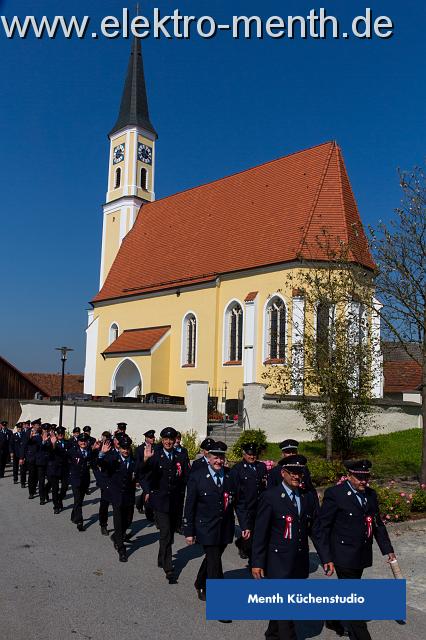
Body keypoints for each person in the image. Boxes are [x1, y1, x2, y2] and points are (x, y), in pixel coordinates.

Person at [251, 454, 332, 640]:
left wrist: (326, 557)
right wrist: (257, 562)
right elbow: (260, 533)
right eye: (293, 472)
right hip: (278, 563)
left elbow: (316, 531)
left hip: (299, 562)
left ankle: (272, 634)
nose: (297, 476)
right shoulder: (270, 497)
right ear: (283, 473)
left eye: (300, 472)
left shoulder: (307, 497)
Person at [316, 459, 396, 640]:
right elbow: (322, 528)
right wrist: (326, 557)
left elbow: (377, 524)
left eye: (366, 477)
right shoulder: (335, 494)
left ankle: (332, 617)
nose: (363, 481)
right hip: (342, 554)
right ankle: (360, 635)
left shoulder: (370, 495)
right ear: (349, 476)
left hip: (361, 553)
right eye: (359, 477)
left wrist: (387, 549)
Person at [184, 441, 238, 603]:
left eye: (221, 457)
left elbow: (237, 502)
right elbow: (190, 506)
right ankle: (219, 600)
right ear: (208, 457)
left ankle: (200, 582)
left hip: (224, 527)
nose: (219, 461)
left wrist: (246, 525)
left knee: (212, 558)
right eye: (215, 457)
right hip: (205, 527)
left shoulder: (229, 476)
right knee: (215, 562)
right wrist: (189, 531)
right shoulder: (197, 477)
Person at [140, 426, 188, 583]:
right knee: (166, 533)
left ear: (175, 441)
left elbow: (185, 477)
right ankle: (168, 568)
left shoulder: (180, 456)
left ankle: (161, 557)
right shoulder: (155, 455)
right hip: (160, 502)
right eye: (165, 439)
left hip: (175, 502)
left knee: (170, 534)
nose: (168, 442)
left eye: (171, 439)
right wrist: (146, 460)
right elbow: (143, 473)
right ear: (162, 440)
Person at [97, 434, 137, 562]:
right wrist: (102, 454)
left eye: (127, 448)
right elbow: (102, 464)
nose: (125, 450)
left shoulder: (132, 459)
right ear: (119, 448)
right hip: (116, 496)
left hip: (129, 495)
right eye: (123, 448)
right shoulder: (113, 458)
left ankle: (116, 536)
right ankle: (121, 549)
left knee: (128, 520)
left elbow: (138, 471)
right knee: (118, 522)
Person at [230, 442, 268, 563]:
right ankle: (253, 561)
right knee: (249, 531)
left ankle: (243, 544)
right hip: (245, 506)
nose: (252, 457)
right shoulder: (237, 469)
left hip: (260, 506)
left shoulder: (261, 467)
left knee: (258, 534)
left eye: (254, 455)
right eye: (249, 455)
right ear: (244, 454)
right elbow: (236, 493)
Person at [68, 433, 98, 531]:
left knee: (79, 500)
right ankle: (80, 521)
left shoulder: (90, 451)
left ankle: (73, 515)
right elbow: (66, 461)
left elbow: (94, 463)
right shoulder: (72, 451)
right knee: (77, 500)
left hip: (85, 480)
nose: (83, 443)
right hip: (75, 479)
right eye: (81, 441)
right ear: (78, 442)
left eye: (85, 441)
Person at [46, 427, 70, 513]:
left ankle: (59, 499)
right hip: (54, 468)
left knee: (64, 487)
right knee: (55, 489)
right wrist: (53, 444)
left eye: (62, 434)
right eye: (59, 434)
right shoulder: (51, 441)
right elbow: (48, 451)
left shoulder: (68, 443)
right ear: (56, 434)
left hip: (64, 469)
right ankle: (56, 506)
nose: (61, 435)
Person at [96, 431, 115, 535]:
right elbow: (98, 463)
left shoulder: (123, 449)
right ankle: (103, 524)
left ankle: (121, 529)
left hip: (117, 480)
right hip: (106, 479)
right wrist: (101, 453)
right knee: (105, 503)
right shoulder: (103, 446)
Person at [135, 429, 156, 516]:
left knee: (148, 492)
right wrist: (136, 479)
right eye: (151, 437)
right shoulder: (139, 449)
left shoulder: (156, 447)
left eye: (153, 437)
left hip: (153, 475)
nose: (153, 439)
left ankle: (139, 503)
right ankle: (149, 514)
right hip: (143, 476)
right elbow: (137, 464)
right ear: (146, 438)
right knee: (148, 492)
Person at [23, 422, 41, 499]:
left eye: (39, 425)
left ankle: (34, 488)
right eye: (37, 425)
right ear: (33, 425)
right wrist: (22, 457)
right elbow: (24, 444)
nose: (38, 426)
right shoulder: (28, 433)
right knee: (31, 475)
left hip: (39, 457)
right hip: (31, 457)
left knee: (37, 475)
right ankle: (31, 492)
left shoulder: (40, 433)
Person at [36, 424, 52, 505]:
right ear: (42, 429)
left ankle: (46, 491)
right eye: (44, 429)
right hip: (41, 462)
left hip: (49, 462)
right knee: (41, 481)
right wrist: (43, 442)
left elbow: (53, 448)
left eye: (47, 429)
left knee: (51, 480)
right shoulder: (37, 437)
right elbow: (37, 448)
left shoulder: (51, 437)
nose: (46, 431)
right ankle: (42, 498)